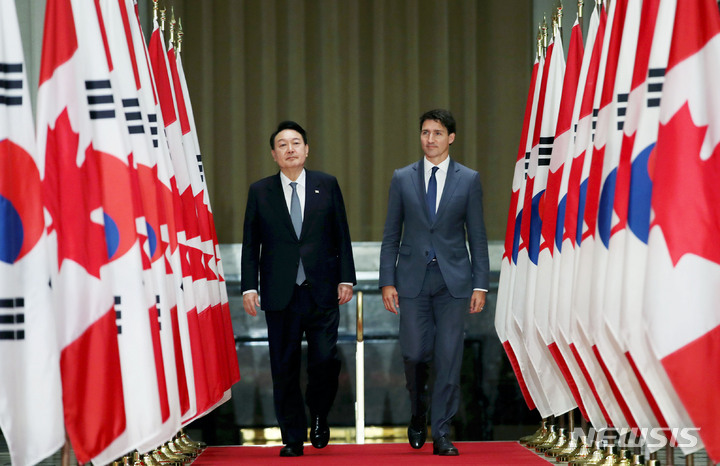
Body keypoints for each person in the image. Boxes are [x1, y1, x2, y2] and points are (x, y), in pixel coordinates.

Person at [241, 120, 356, 457]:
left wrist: (346, 278)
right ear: (274, 154)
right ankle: (292, 437)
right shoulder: (260, 191)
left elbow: (341, 234)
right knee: (284, 366)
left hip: (322, 290)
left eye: (295, 143)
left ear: (306, 149)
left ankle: (319, 414)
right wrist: (249, 287)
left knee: (324, 361)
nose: (290, 149)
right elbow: (250, 245)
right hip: (280, 294)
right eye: (282, 144)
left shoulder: (326, 184)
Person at [379, 109, 490, 456]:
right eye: (425, 132)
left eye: (438, 133)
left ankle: (441, 432)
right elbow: (391, 234)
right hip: (411, 280)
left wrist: (481, 284)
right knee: (414, 354)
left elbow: (478, 236)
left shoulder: (468, 179)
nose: (430, 139)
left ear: (450, 138)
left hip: (453, 282)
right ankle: (418, 411)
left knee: (448, 358)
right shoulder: (402, 178)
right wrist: (386, 280)